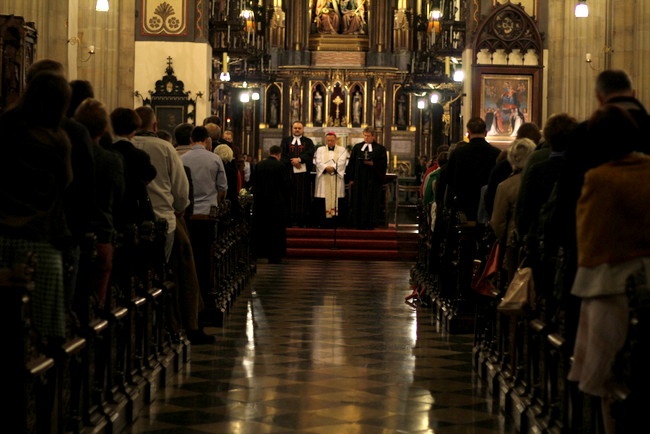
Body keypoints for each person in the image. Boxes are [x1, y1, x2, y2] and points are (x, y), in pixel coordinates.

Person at [566, 104, 648, 434]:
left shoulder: (598, 178)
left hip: (609, 284)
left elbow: (588, 237)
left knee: (609, 382)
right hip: (646, 279)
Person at [0, 71, 72, 345]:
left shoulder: (6, 126)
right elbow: (66, 182)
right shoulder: (58, 139)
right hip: (40, 236)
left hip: (2, 231)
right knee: (43, 329)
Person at [72, 98, 125, 309]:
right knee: (96, 302)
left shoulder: (68, 153)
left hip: (74, 231)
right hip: (101, 232)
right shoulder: (111, 159)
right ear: (104, 128)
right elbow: (119, 196)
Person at [133, 106, 190, 263]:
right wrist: (180, 207)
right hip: (162, 220)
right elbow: (180, 187)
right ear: (155, 126)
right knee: (159, 269)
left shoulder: (126, 145)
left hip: (130, 222)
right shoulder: (165, 147)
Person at [489, 137, 536, 282]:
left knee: (514, 283)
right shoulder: (539, 179)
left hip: (514, 242)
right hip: (536, 240)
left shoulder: (506, 186)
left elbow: (498, 221)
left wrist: (503, 238)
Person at [445, 117, 501, 223]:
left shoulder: (458, 154)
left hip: (463, 207)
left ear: (468, 133)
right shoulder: (496, 153)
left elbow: (450, 181)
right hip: (488, 207)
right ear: (486, 132)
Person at [252, 145, 290, 264]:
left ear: (269, 152)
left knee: (262, 227)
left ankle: (260, 253)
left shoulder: (259, 165)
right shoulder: (281, 166)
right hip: (277, 203)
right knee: (276, 230)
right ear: (279, 154)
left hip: (261, 202)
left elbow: (254, 183)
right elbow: (286, 185)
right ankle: (275, 256)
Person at [345, 127, 388, 229]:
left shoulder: (380, 149)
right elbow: (351, 163)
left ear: (373, 136)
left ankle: (371, 223)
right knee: (358, 200)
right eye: (365, 135)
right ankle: (357, 222)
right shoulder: (357, 147)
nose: (366, 138)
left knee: (371, 201)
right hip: (359, 179)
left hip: (373, 180)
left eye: (368, 136)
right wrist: (350, 178)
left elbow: (383, 164)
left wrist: (373, 163)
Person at [181, 125, 228, 214]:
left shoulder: (182, 159)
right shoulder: (215, 159)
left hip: (189, 209)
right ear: (207, 140)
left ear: (191, 139)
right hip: (209, 210)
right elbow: (222, 186)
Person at [280, 121, 316, 227]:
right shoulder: (286, 141)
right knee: (289, 195)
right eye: (295, 128)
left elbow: (310, 153)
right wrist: (293, 161)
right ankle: (289, 219)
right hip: (289, 173)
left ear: (303, 129)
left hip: (303, 176)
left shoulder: (308, 141)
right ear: (292, 129)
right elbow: (283, 154)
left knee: (303, 196)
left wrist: (299, 159)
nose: (297, 130)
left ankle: (302, 219)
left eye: (299, 128)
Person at [314, 132, 348, 227]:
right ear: (326, 140)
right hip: (323, 179)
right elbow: (318, 161)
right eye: (328, 140)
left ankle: (335, 223)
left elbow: (342, 162)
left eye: (332, 140)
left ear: (336, 140)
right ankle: (323, 223)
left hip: (336, 179)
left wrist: (332, 168)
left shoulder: (342, 150)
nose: (330, 142)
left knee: (336, 198)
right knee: (323, 199)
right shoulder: (320, 149)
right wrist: (326, 168)